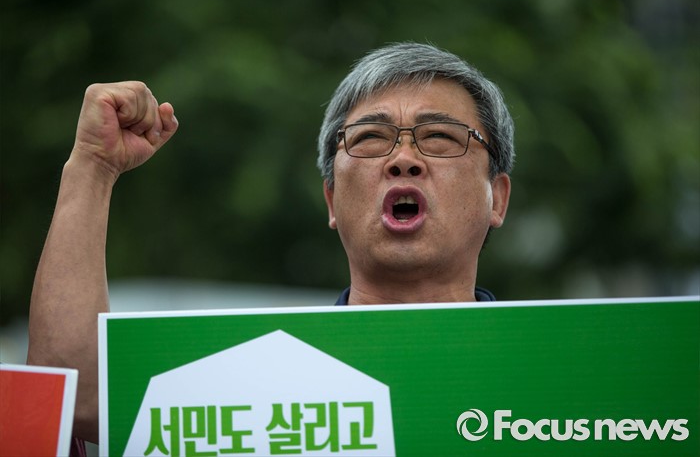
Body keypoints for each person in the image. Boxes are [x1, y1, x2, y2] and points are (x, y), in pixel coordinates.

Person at [27, 42, 514, 447]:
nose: (403, 159)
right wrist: (93, 165)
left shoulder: (554, 363)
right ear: (331, 199)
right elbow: (71, 395)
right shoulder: (249, 375)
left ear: (497, 196)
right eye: (370, 137)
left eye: (439, 136)